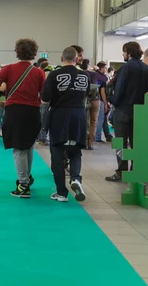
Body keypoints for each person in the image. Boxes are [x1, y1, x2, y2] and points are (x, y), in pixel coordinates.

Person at [0, 39, 46, 198]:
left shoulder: (9, 69)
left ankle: (23, 184)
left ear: (17, 51)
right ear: (34, 53)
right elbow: (45, 94)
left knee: (18, 148)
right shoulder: (38, 72)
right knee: (28, 146)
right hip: (33, 112)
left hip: (14, 111)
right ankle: (26, 178)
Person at [42, 47, 90, 203]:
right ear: (77, 59)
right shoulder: (84, 75)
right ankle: (75, 179)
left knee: (57, 154)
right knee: (76, 151)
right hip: (79, 115)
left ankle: (61, 193)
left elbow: (45, 99)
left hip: (59, 116)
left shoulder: (54, 75)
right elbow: (87, 94)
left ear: (62, 58)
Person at [105, 42, 148, 182]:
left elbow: (119, 88)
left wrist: (113, 101)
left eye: (123, 52)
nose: (123, 54)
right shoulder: (147, 68)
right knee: (136, 142)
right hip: (141, 111)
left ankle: (121, 171)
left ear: (129, 53)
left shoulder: (125, 68)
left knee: (121, 143)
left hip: (124, 110)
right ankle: (135, 170)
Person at [94, 62, 113, 143]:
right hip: (101, 100)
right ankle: (97, 137)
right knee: (100, 120)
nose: (106, 69)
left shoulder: (94, 76)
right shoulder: (103, 78)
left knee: (103, 119)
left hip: (94, 99)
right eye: (105, 67)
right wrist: (105, 103)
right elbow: (102, 91)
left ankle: (107, 135)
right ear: (101, 68)